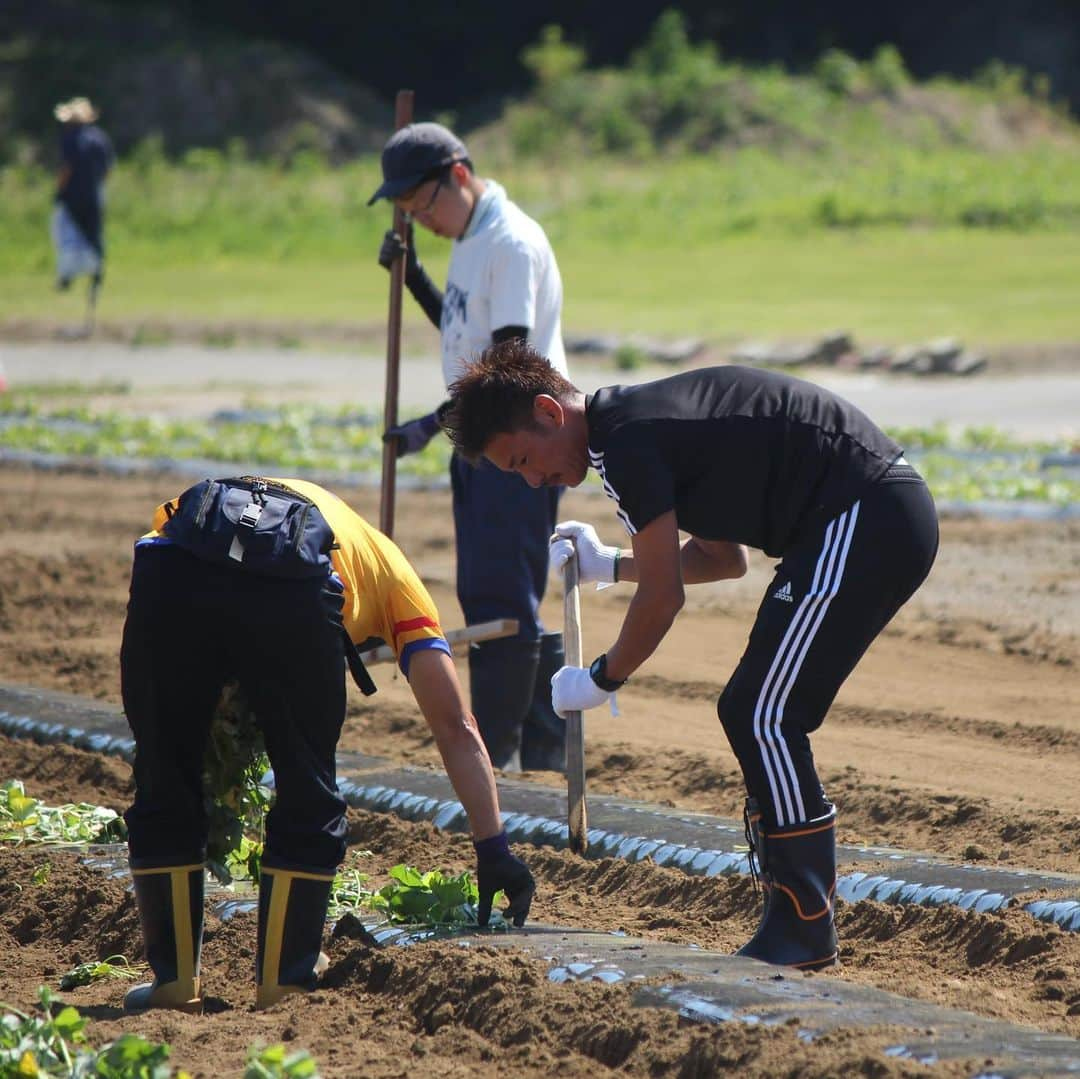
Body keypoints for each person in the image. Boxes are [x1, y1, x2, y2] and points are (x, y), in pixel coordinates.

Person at [442, 341, 939, 972]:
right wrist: (611, 566)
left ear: (547, 412)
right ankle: (798, 917)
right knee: (753, 709)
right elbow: (722, 559)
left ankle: (805, 922)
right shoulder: (631, 431)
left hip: (866, 513)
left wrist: (603, 676)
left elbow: (664, 597)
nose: (534, 480)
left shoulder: (624, 442)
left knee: (762, 713)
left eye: (524, 461)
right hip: (863, 516)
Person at [119, 475, 535, 1013]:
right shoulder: (390, 571)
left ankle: (173, 983)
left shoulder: (237, 502)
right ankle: (285, 981)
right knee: (305, 785)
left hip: (172, 568)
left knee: (165, 770)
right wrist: (493, 848)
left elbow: (172, 555)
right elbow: (456, 725)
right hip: (292, 593)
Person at [368, 122, 569, 773]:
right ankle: (541, 747)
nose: (420, 220)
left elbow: (508, 374)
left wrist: (429, 425)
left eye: (423, 206)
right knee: (491, 595)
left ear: (457, 175)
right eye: (409, 215)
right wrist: (415, 278)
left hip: (518, 448)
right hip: (483, 445)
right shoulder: (471, 236)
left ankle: (504, 759)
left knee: (502, 602)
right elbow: (466, 333)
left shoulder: (508, 244)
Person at [52, 97, 114, 323]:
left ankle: (66, 278)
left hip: (71, 199)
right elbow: (107, 172)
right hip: (93, 198)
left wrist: (58, 192)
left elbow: (65, 169)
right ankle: (95, 285)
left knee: (67, 237)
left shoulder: (68, 139)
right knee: (94, 240)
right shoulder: (99, 139)